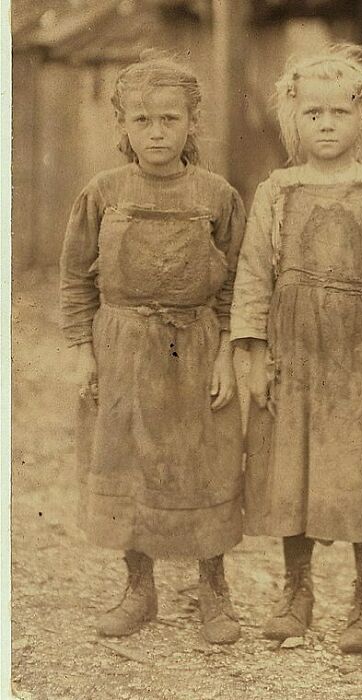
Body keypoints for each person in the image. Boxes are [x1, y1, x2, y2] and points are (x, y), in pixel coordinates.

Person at [60, 52, 246, 645]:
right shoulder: (102, 192)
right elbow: (75, 279)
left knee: (203, 462)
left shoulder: (217, 195)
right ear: (123, 127)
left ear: (193, 123)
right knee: (127, 463)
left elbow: (239, 282)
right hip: (122, 346)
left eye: (170, 118)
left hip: (195, 346)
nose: (157, 131)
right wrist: (85, 351)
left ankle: (213, 590)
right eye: (142, 120)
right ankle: (138, 590)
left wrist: (226, 357)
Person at [230, 44, 362, 654]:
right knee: (291, 469)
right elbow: (253, 274)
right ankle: (296, 591)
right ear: (293, 119)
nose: (326, 124)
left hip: (357, 351)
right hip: (293, 349)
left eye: (338, 112)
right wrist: (251, 350)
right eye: (313, 114)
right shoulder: (276, 191)